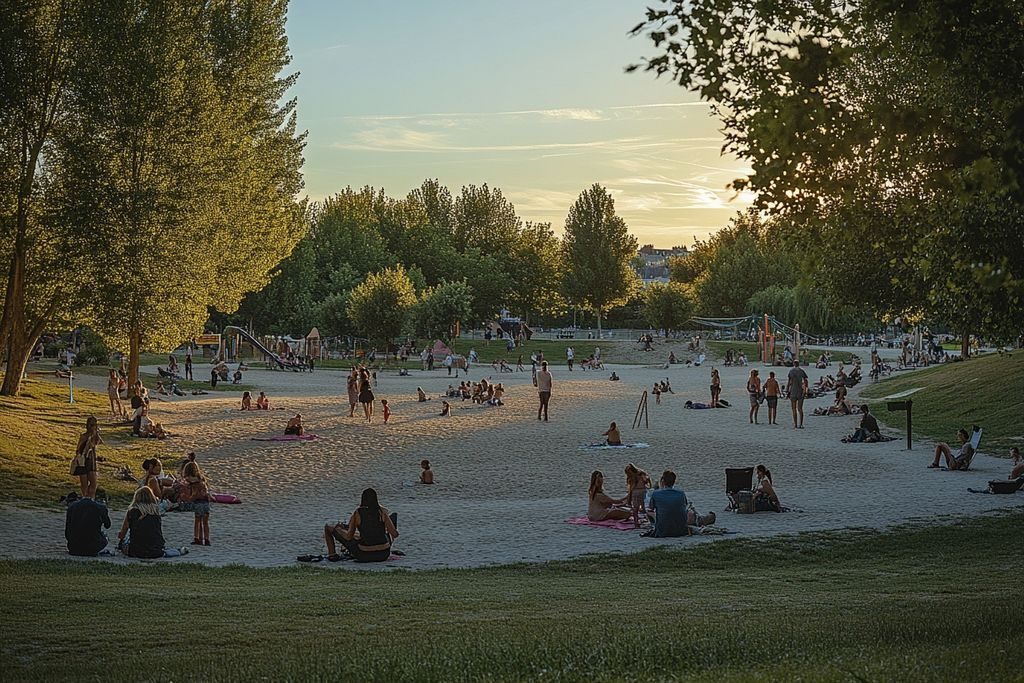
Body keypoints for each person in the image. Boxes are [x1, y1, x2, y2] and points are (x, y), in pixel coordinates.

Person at [324, 488, 399, 563]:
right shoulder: (382, 512)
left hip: (364, 555)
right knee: (393, 518)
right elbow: (394, 534)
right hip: (383, 554)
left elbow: (349, 536)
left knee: (328, 528)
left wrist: (340, 530)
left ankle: (332, 555)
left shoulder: (358, 513)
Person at [117, 487, 187, 558]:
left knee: (126, 540)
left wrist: (121, 540)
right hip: (156, 551)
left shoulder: (131, 512)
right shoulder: (155, 512)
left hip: (135, 551)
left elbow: (123, 532)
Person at [646, 470, 689, 537]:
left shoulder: (656, 493)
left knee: (649, 512)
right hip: (681, 529)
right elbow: (685, 505)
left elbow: (651, 508)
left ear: (663, 481)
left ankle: (654, 526)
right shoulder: (681, 493)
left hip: (663, 530)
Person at [179, 460, 212, 545]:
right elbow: (205, 494)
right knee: (205, 522)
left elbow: (194, 496)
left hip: (198, 504)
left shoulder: (194, 485)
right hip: (205, 504)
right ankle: (206, 539)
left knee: (197, 521)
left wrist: (186, 498)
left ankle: (197, 538)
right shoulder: (202, 481)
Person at [70, 416, 102, 499]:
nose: (92, 427)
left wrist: (95, 434)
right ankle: (85, 498)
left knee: (93, 483)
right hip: (83, 461)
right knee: (84, 484)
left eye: (94, 425)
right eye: (91, 425)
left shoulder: (95, 436)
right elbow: (78, 450)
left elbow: (98, 442)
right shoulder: (84, 436)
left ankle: (91, 498)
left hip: (91, 460)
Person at [624, 463, 650, 528]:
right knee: (642, 506)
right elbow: (647, 481)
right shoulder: (642, 474)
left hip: (636, 492)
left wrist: (629, 499)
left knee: (635, 509)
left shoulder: (633, 478)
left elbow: (631, 488)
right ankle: (647, 519)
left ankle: (636, 523)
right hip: (643, 491)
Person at [786, 364, 809, 429]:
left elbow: (789, 382)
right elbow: (806, 381)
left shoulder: (791, 371)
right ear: (798, 364)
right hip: (800, 392)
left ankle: (795, 424)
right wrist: (806, 390)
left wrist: (787, 391)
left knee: (793, 409)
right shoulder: (802, 371)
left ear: (793, 364)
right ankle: (801, 424)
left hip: (793, 392)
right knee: (800, 409)